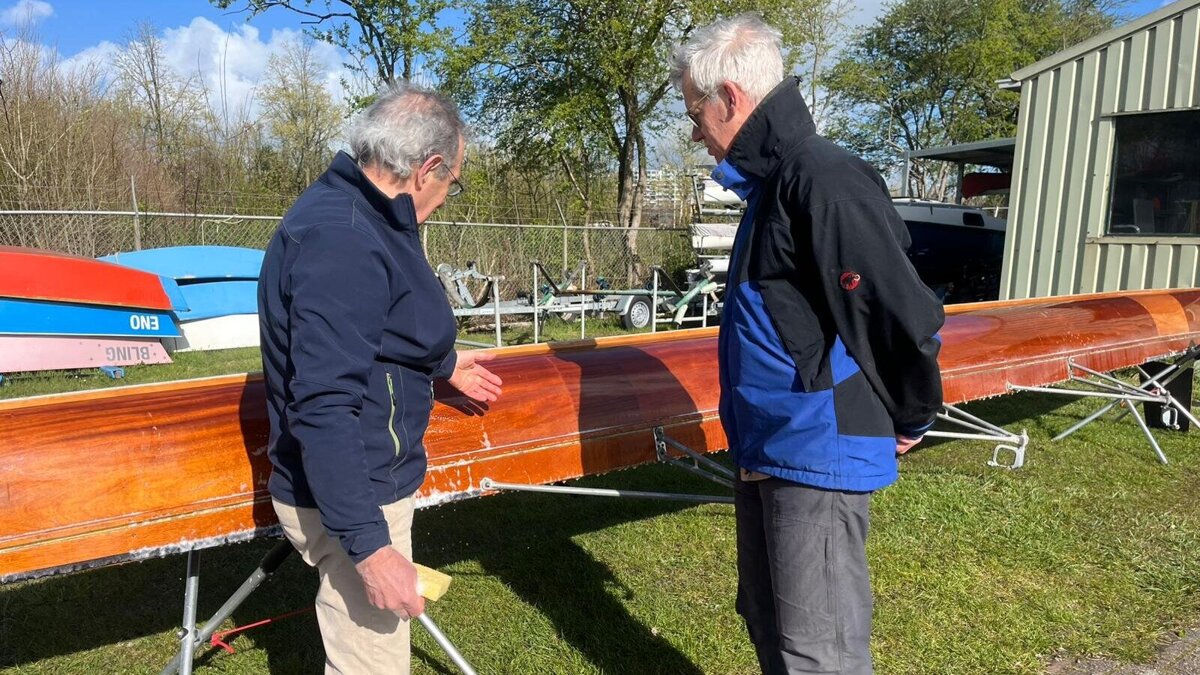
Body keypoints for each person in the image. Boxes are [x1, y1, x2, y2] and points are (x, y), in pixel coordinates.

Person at [670, 14, 944, 675]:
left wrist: (911, 411)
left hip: (816, 451)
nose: (695, 133)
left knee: (818, 651)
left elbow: (896, 309)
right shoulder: (770, 188)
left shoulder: (822, 177)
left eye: (693, 113)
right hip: (770, 442)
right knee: (768, 622)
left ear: (730, 98)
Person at [258, 82, 502, 674]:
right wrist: (370, 550)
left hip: (364, 483)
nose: (447, 197)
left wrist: (442, 365)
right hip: (353, 493)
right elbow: (321, 405)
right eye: (453, 182)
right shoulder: (343, 237)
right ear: (429, 168)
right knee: (372, 660)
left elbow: (382, 325)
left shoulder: (369, 216)